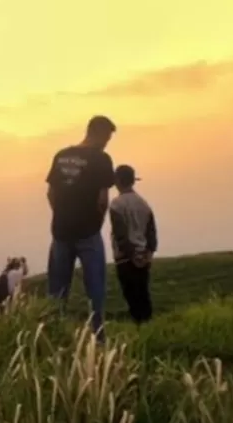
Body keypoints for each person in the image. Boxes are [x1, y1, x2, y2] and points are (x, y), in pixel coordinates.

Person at [45, 115, 116, 343]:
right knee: (95, 291)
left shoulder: (62, 155)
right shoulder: (101, 159)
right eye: (107, 137)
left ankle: (53, 338)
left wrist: (62, 215)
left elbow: (51, 194)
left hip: (61, 231)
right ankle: (98, 340)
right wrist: (96, 223)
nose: (107, 142)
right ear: (101, 133)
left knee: (57, 291)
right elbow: (102, 200)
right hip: (88, 233)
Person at [109, 165, 158, 325]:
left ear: (118, 181)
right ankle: (149, 325)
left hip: (125, 258)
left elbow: (120, 234)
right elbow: (151, 232)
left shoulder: (116, 205)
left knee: (131, 296)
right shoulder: (143, 203)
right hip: (144, 256)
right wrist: (148, 253)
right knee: (143, 293)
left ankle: (139, 327)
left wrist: (131, 255)